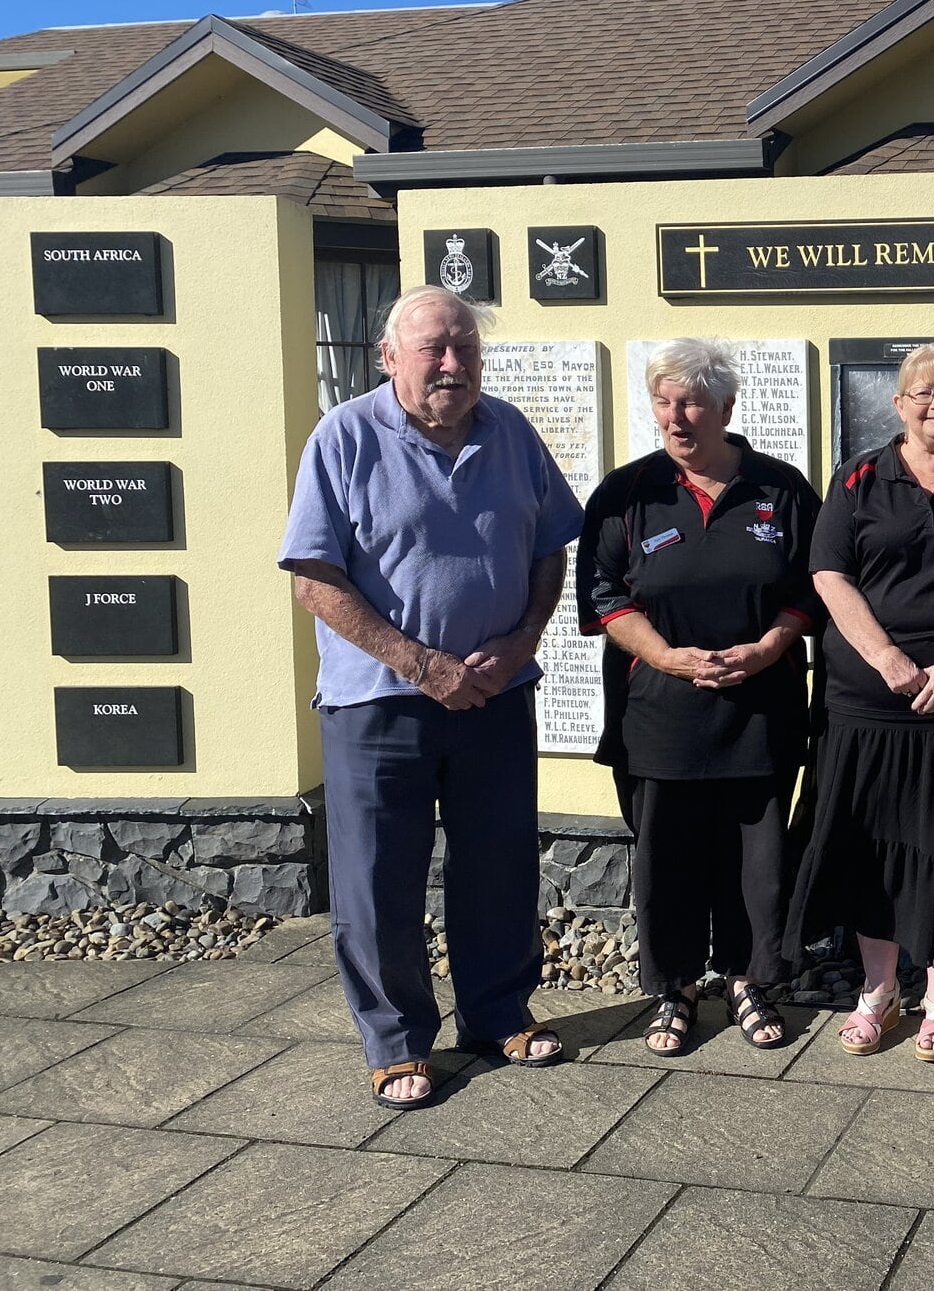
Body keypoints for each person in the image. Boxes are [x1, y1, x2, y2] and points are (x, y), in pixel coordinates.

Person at [280, 286, 583, 1110]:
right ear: (389, 358)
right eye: (433, 350)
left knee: (498, 865)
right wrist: (421, 664)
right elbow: (314, 579)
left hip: (494, 695)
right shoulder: (342, 437)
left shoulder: (510, 432)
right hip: (379, 704)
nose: (453, 365)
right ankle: (395, 1041)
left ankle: (495, 1014)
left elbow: (552, 543)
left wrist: (522, 640)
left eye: (465, 350)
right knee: (379, 881)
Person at [578, 338, 819, 1055]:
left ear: (726, 407)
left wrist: (769, 647)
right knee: (669, 856)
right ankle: (675, 987)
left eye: (691, 402)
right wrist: (669, 658)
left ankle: (749, 980)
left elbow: (813, 589)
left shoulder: (779, 488)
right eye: (663, 401)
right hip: (661, 710)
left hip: (760, 707)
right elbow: (603, 596)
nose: (676, 417)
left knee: (757, 856)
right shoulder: (627, 494)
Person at [783, 344, 934, 1061]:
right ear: (899, 403)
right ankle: (878, 992)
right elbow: (829, 574)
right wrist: (885, 657)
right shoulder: (856, 479)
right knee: (867, 849)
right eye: (922, 393)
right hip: (867, 701)